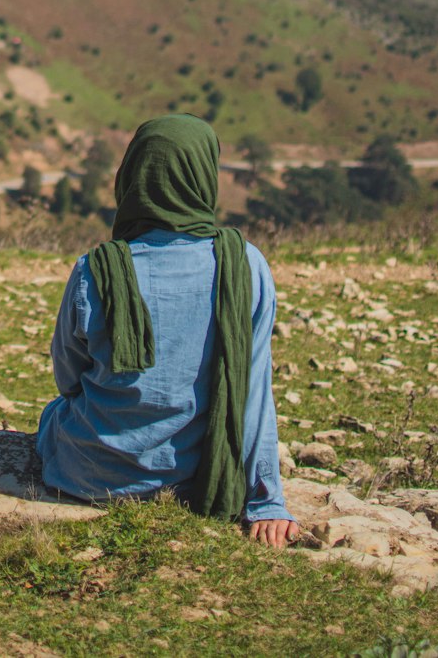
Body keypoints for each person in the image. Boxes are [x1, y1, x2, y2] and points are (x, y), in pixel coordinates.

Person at [37, 114, 298, 546]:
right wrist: (267, 501)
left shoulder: (94, 270)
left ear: (133, 178)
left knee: (53, 415)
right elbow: (253, 394)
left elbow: (67, 378)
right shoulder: (244, 266)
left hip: (87, 475)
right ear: (202, 176)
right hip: (195, 478)